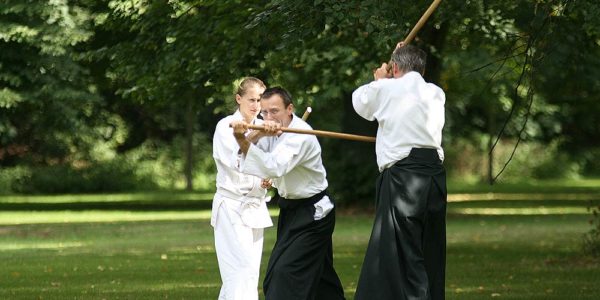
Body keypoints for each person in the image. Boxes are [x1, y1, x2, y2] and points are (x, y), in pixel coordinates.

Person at [230, 87, 346, 300]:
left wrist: (241, 138)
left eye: (274, 111)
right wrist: (255, 133)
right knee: (322, 281)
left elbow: (273, 166)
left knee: (283, 274)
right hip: (291, 210)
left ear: (290, 108)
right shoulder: (270, 131)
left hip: (314, 214)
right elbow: (239, 159)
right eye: (264, 112)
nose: (268, 117)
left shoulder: (300, 136)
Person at [352, 43, 447, 300]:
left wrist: (378, 80)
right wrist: (393, 69)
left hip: (404, 177)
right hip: (435, 176)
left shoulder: (386, 87)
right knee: (429, 246)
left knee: (400, 251)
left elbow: (360, 103)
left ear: (394, 68)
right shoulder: (436, 92)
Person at [211, 77, 273, 300]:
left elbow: (268, 165)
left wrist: (268, 180)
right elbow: (238, 159)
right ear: (239, 99)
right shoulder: (225, 126)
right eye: (252, 99)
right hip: (232, 208)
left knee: (249, 275)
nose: (256, 105)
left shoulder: (264, 126)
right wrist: (260, 132)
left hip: (255, 208)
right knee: (238, 273)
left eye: (260, 100)